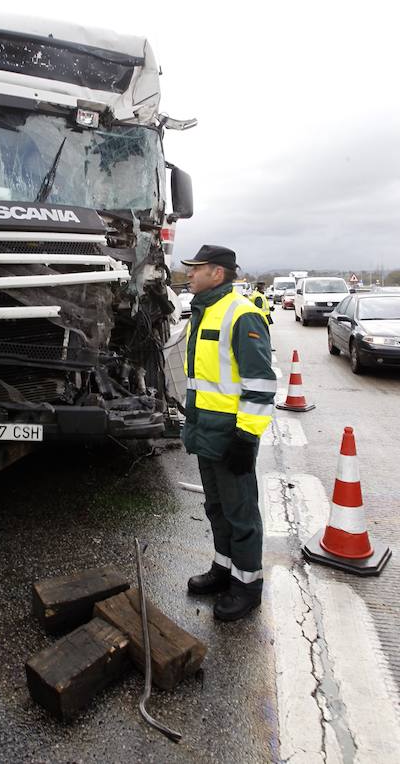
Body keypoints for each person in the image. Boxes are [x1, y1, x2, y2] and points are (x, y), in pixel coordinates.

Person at [181, 245, 277, 621]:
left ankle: (247, 586)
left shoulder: (242, 315)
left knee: (241, 513)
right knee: (216, 508)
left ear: (217, 274)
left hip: (231, 436)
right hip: (206, 432)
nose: (188, 273)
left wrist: (246, 437)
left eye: (196, 268)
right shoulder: (203, 313)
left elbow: (260, 385)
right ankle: (223, 569)